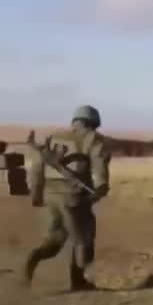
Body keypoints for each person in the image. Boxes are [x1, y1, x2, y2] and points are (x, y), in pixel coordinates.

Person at [23, 105, 112, 290]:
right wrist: (100, 188)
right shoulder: (94, 138)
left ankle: (34, 257)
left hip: (51, 193)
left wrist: (37, 194)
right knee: (84, 236)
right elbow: (99, 167)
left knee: (56, 238)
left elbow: (36, 166)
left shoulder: (55, 136)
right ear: (94, 122)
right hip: (74, 196)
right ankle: (78, 281)